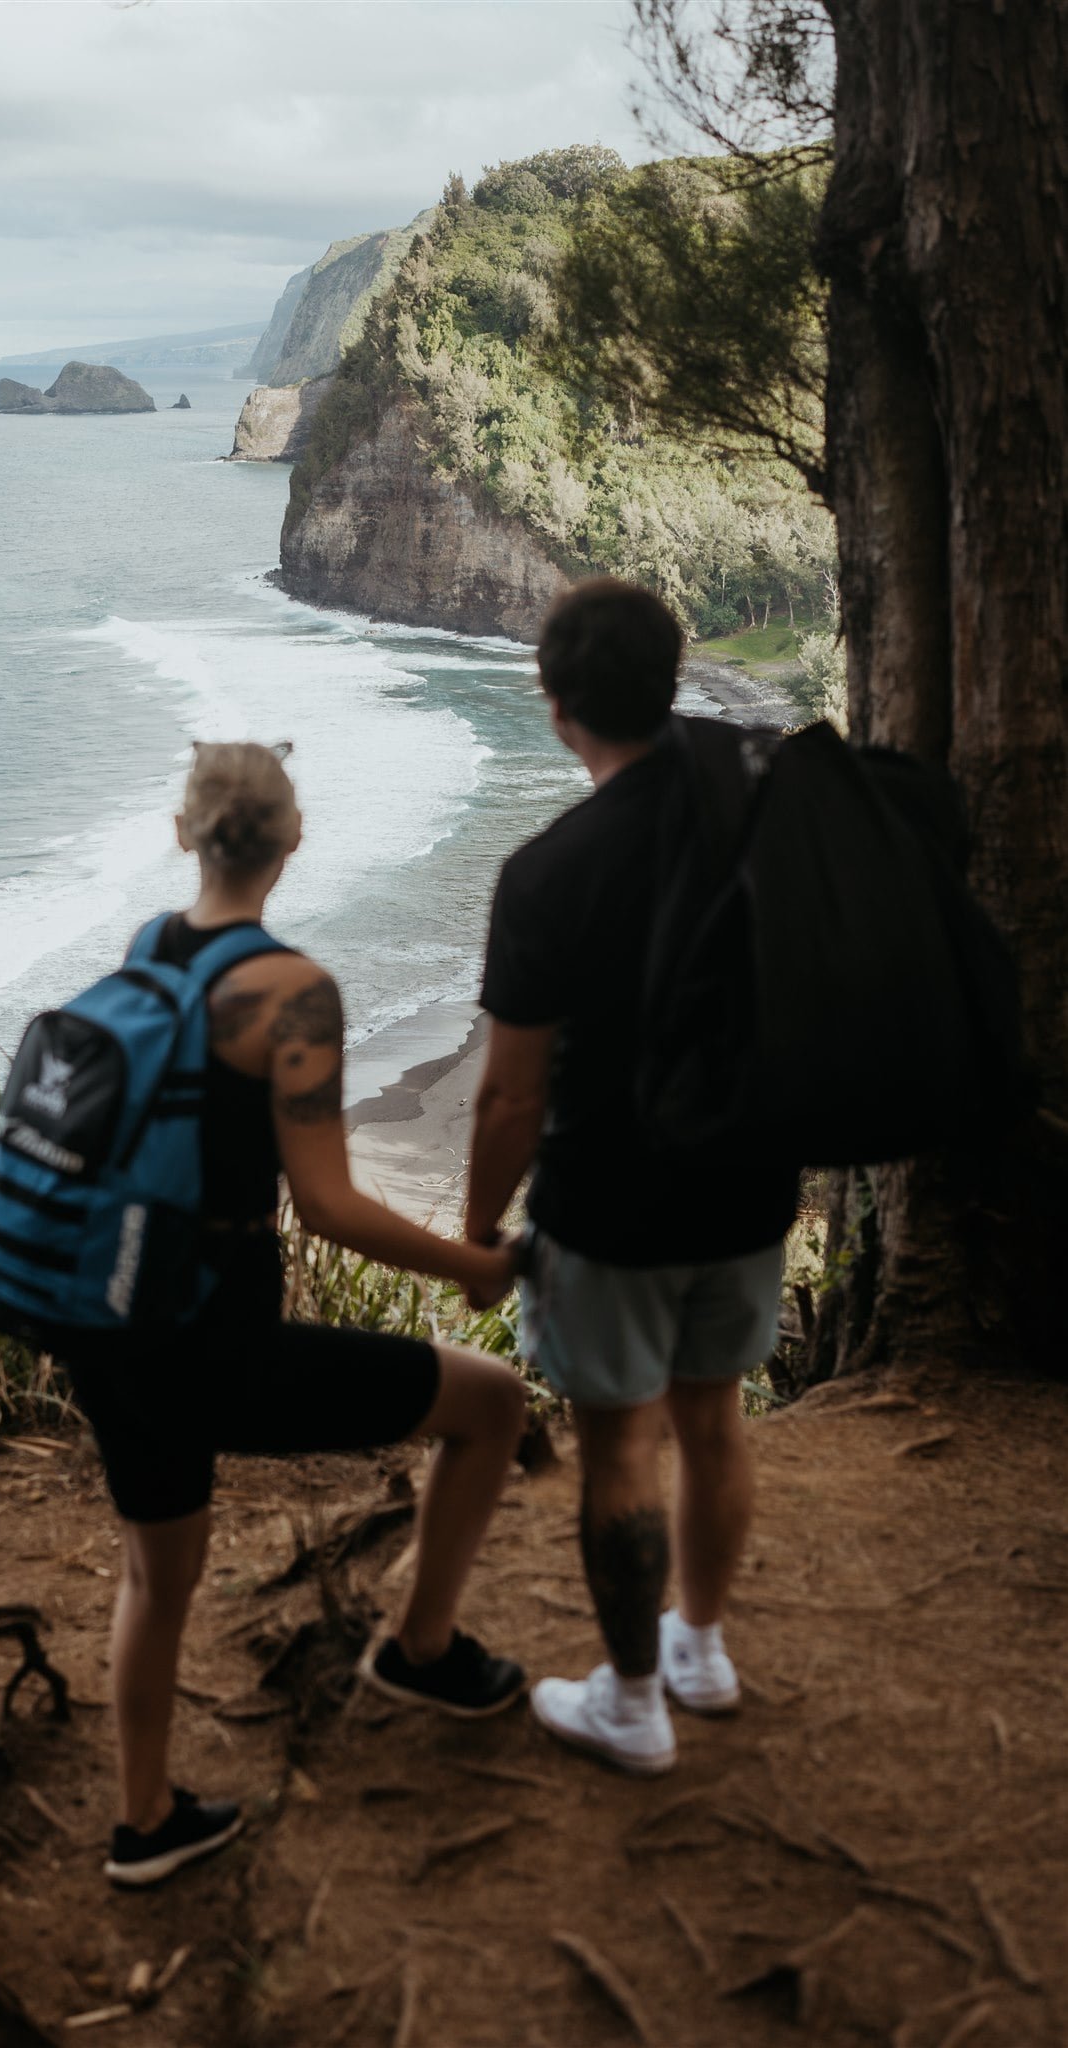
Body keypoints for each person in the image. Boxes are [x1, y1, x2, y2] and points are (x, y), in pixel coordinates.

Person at [61, 740, 527, 1889]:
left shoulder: (143, 952)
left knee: (153, 1577)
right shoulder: (293, 991)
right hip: (219, 1343)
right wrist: (471, 1261)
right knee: (494, 1399)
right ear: (297, 838)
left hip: (108, 1323)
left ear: (184, 833)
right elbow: (324, 1204)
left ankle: (143, 1822)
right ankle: (422, 1650)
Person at [464, 578, 797, 1775]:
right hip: (752, 1177)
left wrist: (474, 1231)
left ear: (557, 708)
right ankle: (700, 1646)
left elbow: (508, 1095)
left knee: (620, 1446)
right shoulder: (754, 819)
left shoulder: (549, 871)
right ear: (673, 682)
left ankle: (634, 1700)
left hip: (608, 1207)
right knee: (712, 1417)